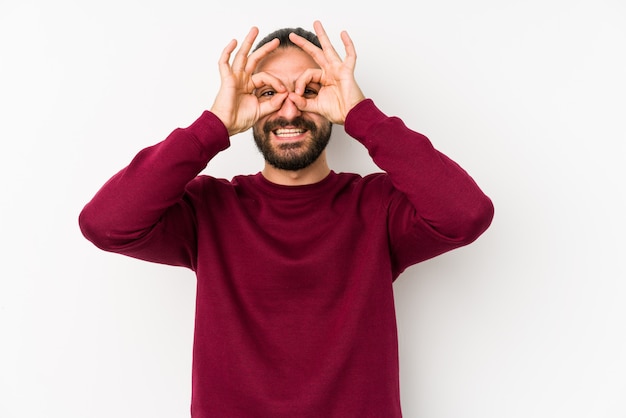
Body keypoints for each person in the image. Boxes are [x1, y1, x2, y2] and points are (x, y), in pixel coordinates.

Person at [79, 20, 494, 418]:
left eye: (310, 90)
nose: (290, 110)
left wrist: (361, 114)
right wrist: (214, 124)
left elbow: (466, 214)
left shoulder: (378, 205)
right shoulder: (209, 208)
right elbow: (105, 223)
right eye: (268, 93)